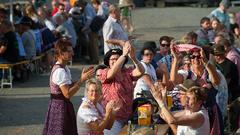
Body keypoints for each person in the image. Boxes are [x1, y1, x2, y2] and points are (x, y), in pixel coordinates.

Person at [42, 38, 95, 135]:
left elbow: (68, 85)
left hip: (61, 105)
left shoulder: (64, 68)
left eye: (72, 50)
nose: (73, 54)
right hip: (59, 107)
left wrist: (82, 78)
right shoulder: (60, 71)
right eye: (69, 51)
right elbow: (67, 94)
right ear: (61, 53)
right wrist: (82, 80)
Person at [98, 40, 144, 134]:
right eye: (113, 59)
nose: (115, 61)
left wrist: (134, 58)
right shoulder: (105, 72)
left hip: (127, 117)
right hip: (113, 118)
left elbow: (141, 71)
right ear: (108, 61)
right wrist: (123, 55)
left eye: (117, 59)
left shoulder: (127, 72)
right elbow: (112, 73)